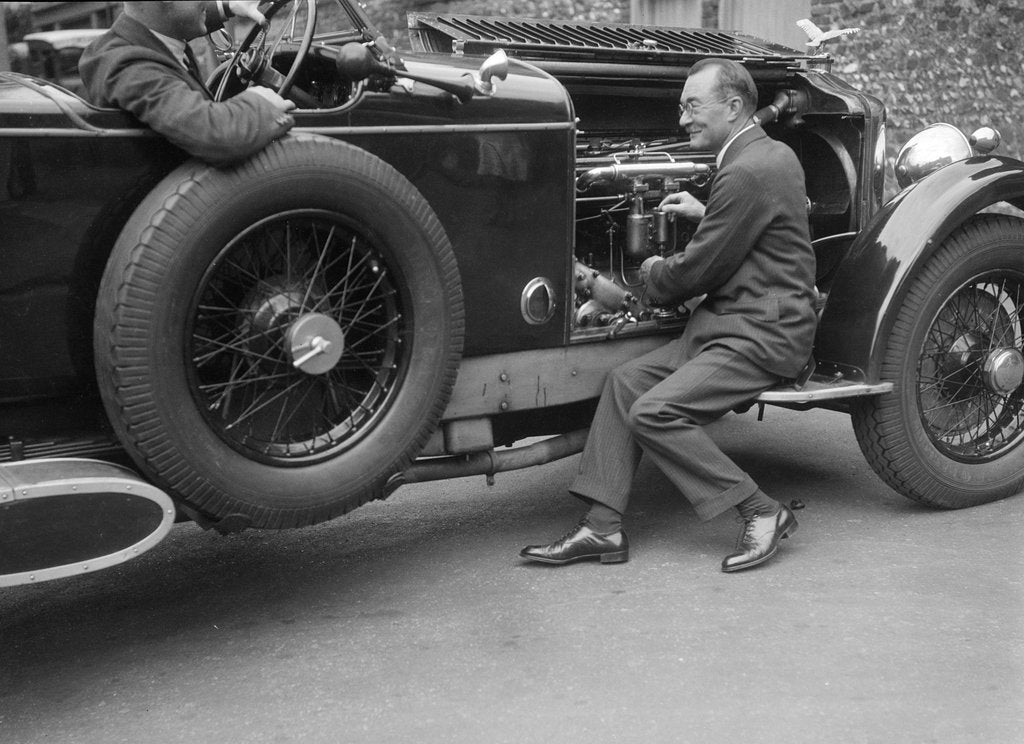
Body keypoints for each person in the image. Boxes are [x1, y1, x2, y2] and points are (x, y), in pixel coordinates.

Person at [521, 58, 818, 573]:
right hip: (730, 323)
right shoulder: (771, 155)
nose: (682, 119)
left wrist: (649, 272)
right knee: (625, 382)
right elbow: (764, 225)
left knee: (655, 412)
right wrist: (711, 216)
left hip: (763, 332)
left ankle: (761, 511)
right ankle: (602, 528)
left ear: (732, 106)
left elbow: (697, 272)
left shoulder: (746, 170)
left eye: (691, 106)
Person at [79, 1, 295, 166]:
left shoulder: (136, 40)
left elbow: (175, 16)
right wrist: (261, 102)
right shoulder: (129, 66)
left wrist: (227, 6)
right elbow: (216, 135)